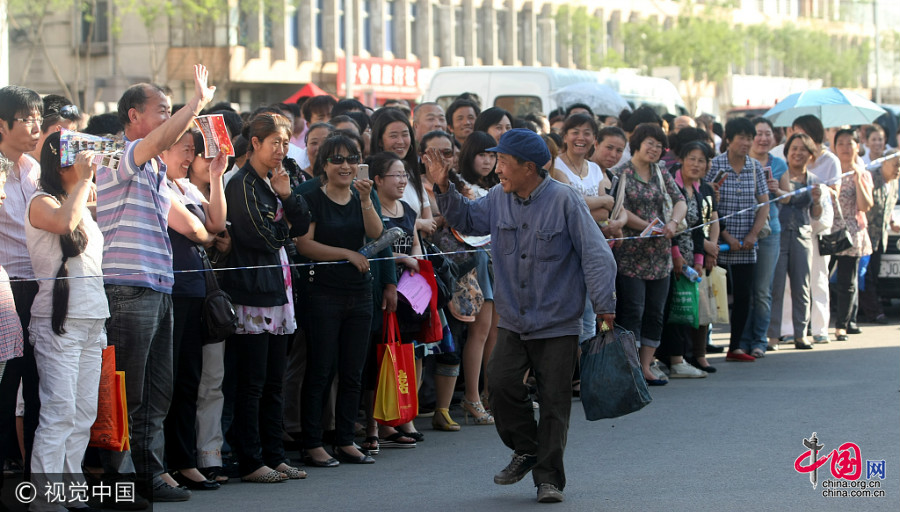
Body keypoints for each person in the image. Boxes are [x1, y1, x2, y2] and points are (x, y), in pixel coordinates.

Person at [427, 128, 617, 503]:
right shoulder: (498, 197)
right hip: (514, 319)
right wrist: (443, 187)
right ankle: (528, 448)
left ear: (529, 167)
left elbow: (597, 256)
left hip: (558, 321)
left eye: (504, 162)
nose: (498, 170)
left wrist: (605, 309)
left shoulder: (565, 200)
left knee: (554, 400)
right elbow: (466, 221)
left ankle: (549, 479)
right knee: (499, 385)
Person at [93, 65, 215, 504]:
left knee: (158, 390)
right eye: (161, 110)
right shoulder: (116, 154)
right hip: (126, 288)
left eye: (171, 110)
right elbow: (161, 142)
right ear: (133, 116)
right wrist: (196, 103)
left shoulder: (154, 170)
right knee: (128, 391)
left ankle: (149, 473)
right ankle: (119, 483)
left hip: (158, 287)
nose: (168, 119)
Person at [223, 112, 310, 482]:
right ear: (254, 144)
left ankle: (275, 455)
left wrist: (288, 197)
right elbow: (260, 237)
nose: (281, 150)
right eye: (274, 142)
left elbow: (303, 225)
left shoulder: (277, 180)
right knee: (252, 382)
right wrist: (285, 231)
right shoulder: (241, 183)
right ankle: (251, 459)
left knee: (275, 380)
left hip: (278, 287)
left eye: (286, 142)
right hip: (252, 292)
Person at [24, 136, 105, 512]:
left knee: (84, 412)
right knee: (59, 411)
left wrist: (85, 181)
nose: (89, 162)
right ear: (61, 164)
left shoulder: (82, 204)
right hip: (58, 321)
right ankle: (44, 497)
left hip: (92, 318)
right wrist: (85, 180)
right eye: (80, 156)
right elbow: (63, 223)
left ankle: (71, 489)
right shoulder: (41, 201)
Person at [295, 133, 383, 467]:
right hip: (324, 294)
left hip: (360, 293)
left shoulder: (362, 194)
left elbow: (375, 234)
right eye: (337, 159)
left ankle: (346, 440)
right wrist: (347, 254)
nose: (345, 166)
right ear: (324, 164)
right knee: (320, 370)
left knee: (352, 372)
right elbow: (305, 245)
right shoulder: (312, 199)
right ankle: (313, 442)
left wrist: (365, 200)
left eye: (351, 159)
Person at [159, 130, 228, 490]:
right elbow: (197, 231)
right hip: (169, 291)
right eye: (183, 149)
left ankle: (185, 461)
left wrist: (216, 177)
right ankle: (166, 463)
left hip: (195, 291)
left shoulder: (186, 187)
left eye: (192, 150)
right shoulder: (157, 183)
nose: (188, 156)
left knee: (190, 380)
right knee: (166, 384)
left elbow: (215, 223)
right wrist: (206, 233)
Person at [613, 123, 687, 383]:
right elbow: (618, 208)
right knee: (633, 310)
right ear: (637, 143)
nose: (654, 149)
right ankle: (630, 367)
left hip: (660, 255)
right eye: (650, 143)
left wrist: (673, 224)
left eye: (659, 144)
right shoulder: (620, 172)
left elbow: (679, 200)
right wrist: (648, 227)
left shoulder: (661, 171)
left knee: (656, 312)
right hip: (631, 255)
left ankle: (646, 366)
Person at [0, 85, 43, 489]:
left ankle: (33, 480)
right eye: (27, 118)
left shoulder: (34, 168)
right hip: (5, 292)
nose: (36, 126)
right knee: (5, 387)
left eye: (38, 118)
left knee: (38, 387)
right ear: (2, 124)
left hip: (41, 288)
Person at [706, 117, 769, 362]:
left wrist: (753, 234)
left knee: (745, 295)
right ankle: (701, 346)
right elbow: (708, 204)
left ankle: (736, 347)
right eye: (741, 137)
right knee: (713, 291)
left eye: (749, 138)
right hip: (718, 241)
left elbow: (764, 204)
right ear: (729, 140)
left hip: (747, 243)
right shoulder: (715, 166)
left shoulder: (754, 167)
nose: (746, 142)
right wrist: (726, 235)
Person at [658, 140, 720, 376]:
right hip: (670, 257)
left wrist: (698, 261)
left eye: (701, 160)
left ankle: (683, 357)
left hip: (690, 261)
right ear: (681, 159)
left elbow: (697, 228)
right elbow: (669, 223)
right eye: (691, 158)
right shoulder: (675, 186)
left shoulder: (699, 188)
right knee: (672, 309)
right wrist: (676, 257)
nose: (696, 164)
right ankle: (674, 360)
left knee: (686, 307)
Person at [766, 133, 823, 350]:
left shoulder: (813, 180)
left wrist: (817, 201)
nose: (798, 153)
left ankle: (801, 334)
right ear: (787, 152)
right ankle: (773, 336)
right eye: (794, 149)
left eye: (803, 149)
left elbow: (816, 213)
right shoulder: (779, 175)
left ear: (810, 154)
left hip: (802, 234)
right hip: (778, 234)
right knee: (777, 287)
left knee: (802, 287)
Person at [789, 115, 841, 343]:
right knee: (792, 286)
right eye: (794, 141)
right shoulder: (786, 172)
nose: (798, 150)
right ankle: (789, 329)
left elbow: (828, 209)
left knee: (819, 281)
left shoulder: (828, 162)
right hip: (793, 234)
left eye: (803, 136)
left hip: (817, 234)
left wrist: (818, 201)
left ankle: (819, 328)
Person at [740, 117, 788, 357]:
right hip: (740, 232)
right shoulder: (740, 163)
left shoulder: (779, 164)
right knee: (744, 290)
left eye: (767, 133)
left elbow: (787, 197)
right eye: (758, 133)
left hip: (770, 233)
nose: (762, 138)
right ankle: (741, 339)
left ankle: (759, 339)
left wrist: (776, 189)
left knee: (762, 290)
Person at [831, 129, 873, 341]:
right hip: (829, 230)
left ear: (857, 146)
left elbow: (865, 206)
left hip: (852, 231)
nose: (845, 148)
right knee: (821, 278)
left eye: (850, 143)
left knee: (847, 281)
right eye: (841, 143)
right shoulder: (830, 171)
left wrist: (858, 180)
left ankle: (842, 325)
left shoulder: (863, 173)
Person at [371, 108, 435, 238]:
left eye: (405, 135)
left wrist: (418, 225)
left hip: (417, 252)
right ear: (379, 141)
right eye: (393, 136)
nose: (400, 141)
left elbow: (430, 225)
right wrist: (418, 224)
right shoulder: (371, 177)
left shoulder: (411, 174)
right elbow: (381, 227)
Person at [859, 149, 900, 323]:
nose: (898, 169)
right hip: (865, 235)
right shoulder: (871, 178)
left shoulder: (894, 182)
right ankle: (873, 311)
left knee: (873, 276)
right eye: (896, 164)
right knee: (865, 276)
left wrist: (892, 222)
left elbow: (888, 206)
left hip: (881, 236)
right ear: (884, 162)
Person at [30, 95, 81, 161]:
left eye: (74, 132)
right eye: (62, 134)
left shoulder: (73, 166)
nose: (70, 141)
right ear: (37, 130)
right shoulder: (20, 168)